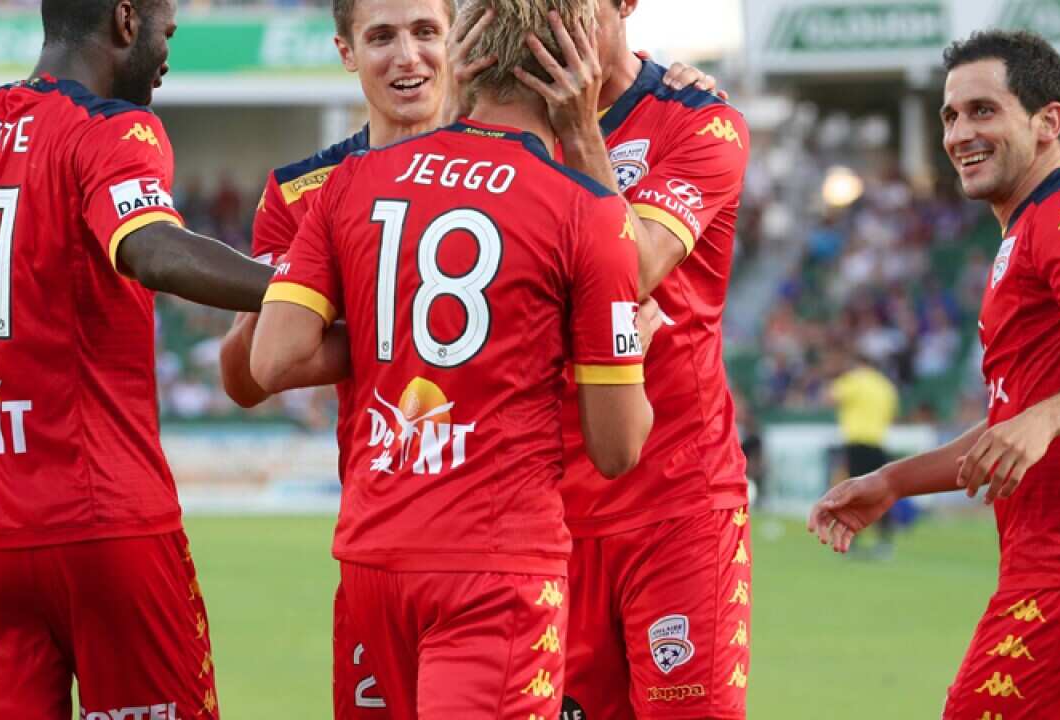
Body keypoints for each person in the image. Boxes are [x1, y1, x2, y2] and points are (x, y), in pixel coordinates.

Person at [217, 0, 711, 714]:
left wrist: (392, 325)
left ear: (464, 52)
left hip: (375, 548)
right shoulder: (587, 208)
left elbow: (273, 359)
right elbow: (618, 447)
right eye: (383, 36)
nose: (408, 56)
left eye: (426, 32)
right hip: (497, 561)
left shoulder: (345, 184)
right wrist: (595, 339)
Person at [0, 0, 279, 716]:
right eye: (166, 28)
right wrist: (309, 286)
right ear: (126, 20)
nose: (168, 52)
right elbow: (150, 248)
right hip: (105, 525)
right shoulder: (110, 130)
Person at [810, 30, 1060, 719]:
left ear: (1048, 122)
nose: (959, 134)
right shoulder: (1025, 234)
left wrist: (1044, 418)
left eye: (984, 110)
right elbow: (1014, 425)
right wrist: (893, 481)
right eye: (950, 116)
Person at [501, 1, 752, 716]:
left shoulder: (698, 120)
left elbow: (636, 266)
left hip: (677, 501)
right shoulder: (501, 130)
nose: (552, 20)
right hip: (549, 516)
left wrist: (581, 132)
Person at [829, 350, 899, 558]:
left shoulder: (854, 380)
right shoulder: (886, 386)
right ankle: (885, 541)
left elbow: (830, 397)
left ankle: (852, 540)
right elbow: (892, 415)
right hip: (877, 443)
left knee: (855, 494)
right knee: (880, 494)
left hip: (857, 443)